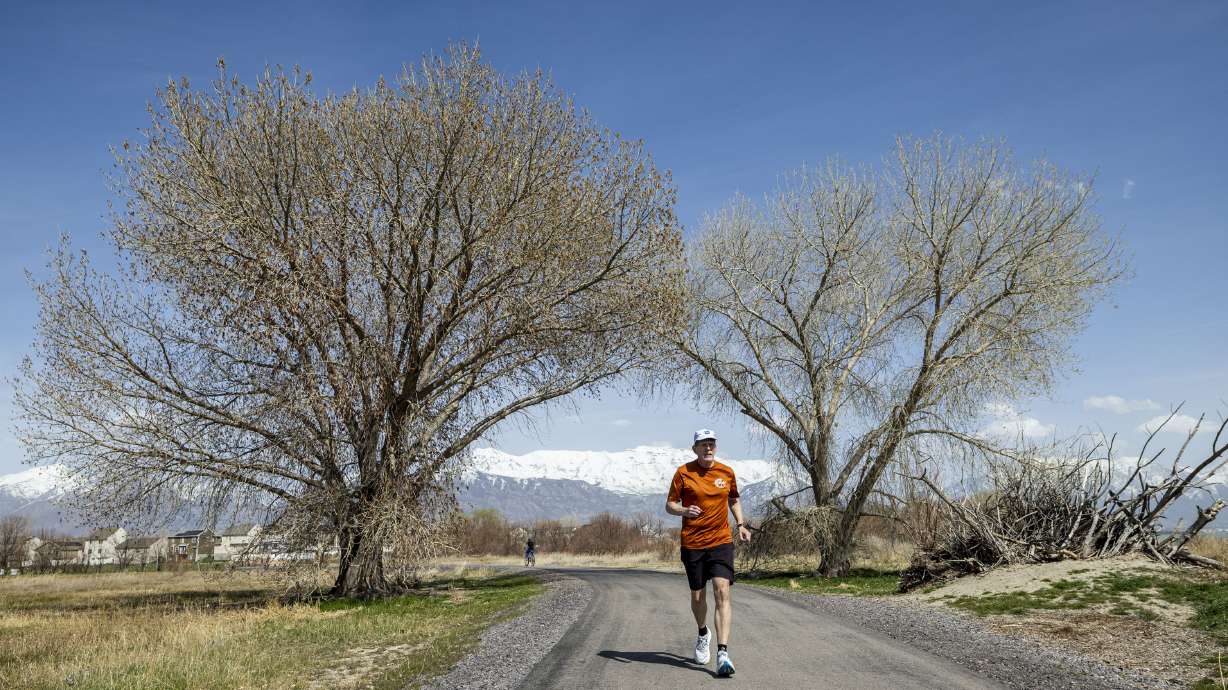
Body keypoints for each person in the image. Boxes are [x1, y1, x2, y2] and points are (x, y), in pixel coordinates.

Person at [665, 428, 752, 677]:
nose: (708, 448)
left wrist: (741, 524)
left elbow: (733, 499)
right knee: (697, 597)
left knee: (722, 589)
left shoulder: (726, 472)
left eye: (712, 443)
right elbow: (670, 504)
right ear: (695, 449)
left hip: (721, 540)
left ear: (716, 446)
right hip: (693, 542)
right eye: (703, 444)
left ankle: (723, 653)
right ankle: (703, 633)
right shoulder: (684, 473)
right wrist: (683, 511)